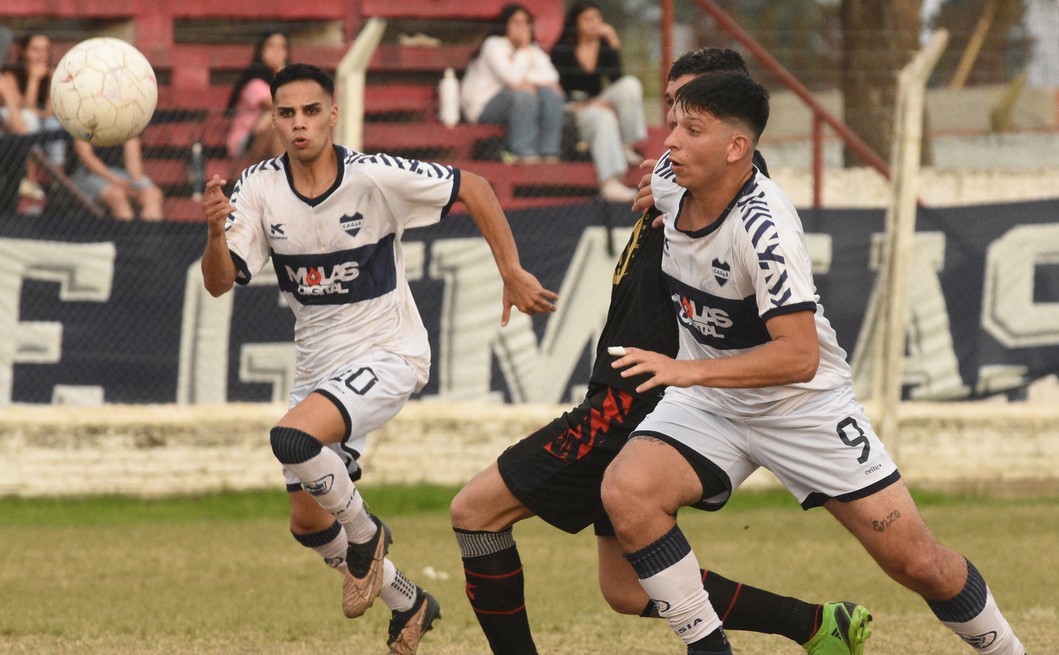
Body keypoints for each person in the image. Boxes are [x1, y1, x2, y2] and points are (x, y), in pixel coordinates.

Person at [448, 47, 868, 655]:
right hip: (626, 391)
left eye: (691, 115)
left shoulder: (731, 198)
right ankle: (816, 626)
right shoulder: (677, 182)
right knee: (625, 587)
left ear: (731, 131)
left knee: (475, 512)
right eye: (670, 106)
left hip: (635, 403)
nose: (673, 125)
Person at [602, 72, 1027, 655]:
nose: (671, 141)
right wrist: (657, 189)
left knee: (917, 563)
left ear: (737, 147)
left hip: (802, 406)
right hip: (712, 404)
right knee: (627, 491)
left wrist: (688, 370)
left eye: (691, 130)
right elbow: (661, 183)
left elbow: (799, 356)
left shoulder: (765, 230)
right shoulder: (672, 182)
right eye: (672, 122)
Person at [199, 63, 559, 655]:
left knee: (291, 440)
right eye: (286, 113)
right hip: (317, 368)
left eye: (311, 111)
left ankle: (368, 534)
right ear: (274, 120)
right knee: (308, 523)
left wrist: (511, 270)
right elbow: (218, 283)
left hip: (389, 352)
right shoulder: (258, 187)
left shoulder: (372, 176)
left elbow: (474, 186)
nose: (299, 124)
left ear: (333, 114)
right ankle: (409, 602)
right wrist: (216, 235)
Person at [549, 1, 645, 203]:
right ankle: (609, 182)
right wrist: (588, 105)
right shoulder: (562, 49)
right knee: (603, 116)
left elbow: (617, 80)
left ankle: (627, 144)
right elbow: (556, 93)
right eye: (587, 19)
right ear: (575, 22)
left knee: (630, 85)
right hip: (572, 108)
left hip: (597, 101)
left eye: (597, 18)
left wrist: (613, 42)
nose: (594, 23)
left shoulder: (604, 45)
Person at [460, 4, 565, 164]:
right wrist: (523, 52)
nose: (522, 27)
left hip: (519, 105)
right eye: (516, 22)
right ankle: (526, 155)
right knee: (522, 95)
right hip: (484, 108)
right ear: (505, 25)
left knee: (550, 93)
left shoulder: (532, 49)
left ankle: (550, 154)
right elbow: (513, 79)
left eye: (526, 23)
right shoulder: (493, 45)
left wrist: (527, 80)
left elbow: (552, 77)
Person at [0, 32, 67, 203]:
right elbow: (23, 109)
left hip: (43, 125)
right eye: (35, 50)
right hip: (19, 127)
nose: (41, 55)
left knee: (53, 125)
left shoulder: (52, 74)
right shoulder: (11, 74)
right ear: (24, 52)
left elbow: (51, 111)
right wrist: (34, 80)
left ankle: (58, 182)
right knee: (29, 118)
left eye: (45, 50)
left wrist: (50, 80)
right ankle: (31, 178)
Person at [225, 30, 290, 176]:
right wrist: (282, 73)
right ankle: (285, 177)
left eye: (282, 47)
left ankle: (284, 176)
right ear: (261, 51)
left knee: (278, 122)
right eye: (271, 46)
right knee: (277, 122)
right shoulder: (253, 82)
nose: (277, 51)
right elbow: (282, 105)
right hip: (246, 143)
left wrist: (270, 116)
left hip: (271, 137)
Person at [68, 136, 164, 221]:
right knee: (117, 196)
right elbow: (87, 158)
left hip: (120, 174)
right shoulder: (84, 126)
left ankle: (150, 233)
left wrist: (135, 184)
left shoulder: (128, 127)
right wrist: (117, 182)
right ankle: (127, 233)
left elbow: (133, 164)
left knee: (152, 195)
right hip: (88, 174)